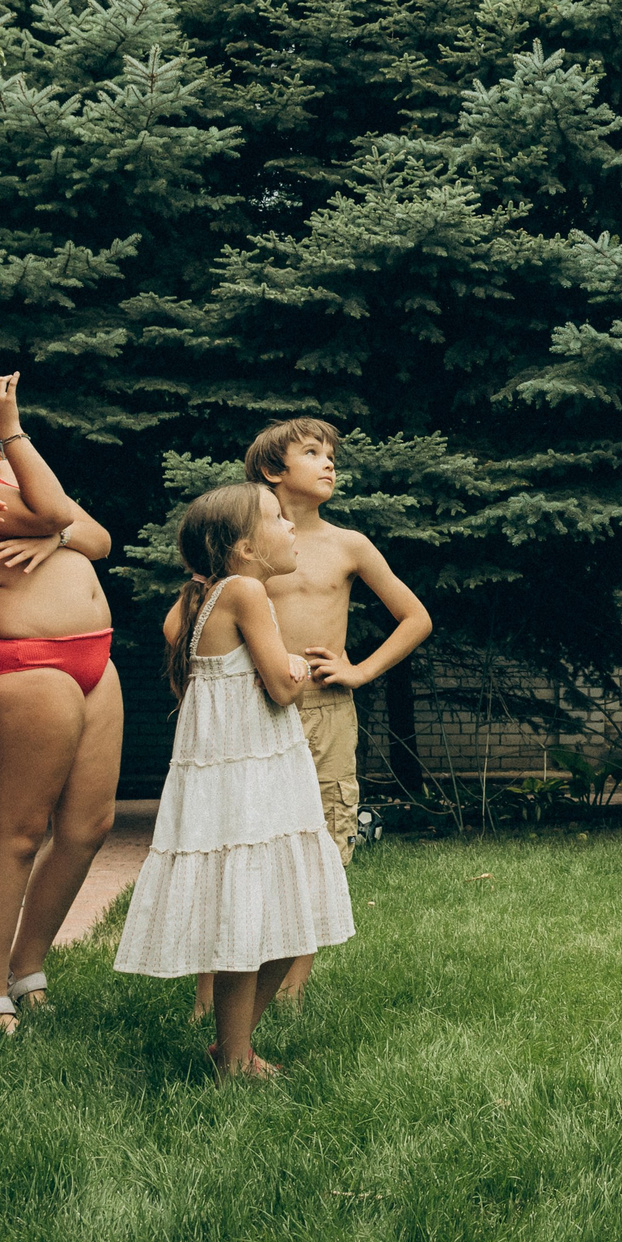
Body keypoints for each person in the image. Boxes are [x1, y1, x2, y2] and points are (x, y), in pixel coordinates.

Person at [190, 420, 428, 1016]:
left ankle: (290, 989)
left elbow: (415, 617)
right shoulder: (245, 544)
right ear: (272, 471)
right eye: (312, 453)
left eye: (332, 455)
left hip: (323, 709)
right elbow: (185, 626)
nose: (329, 464)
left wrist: (360, 671)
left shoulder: (348, 544)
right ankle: (210, 991)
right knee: (238, 841)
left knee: (322, 837)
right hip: (250, 713)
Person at [115, 484, 352, 1079]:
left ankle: (233, 1048)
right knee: (254, 916)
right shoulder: (247, 590)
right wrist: (297, 663)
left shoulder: (212, 592)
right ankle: (234, 1058)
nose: (291, 527)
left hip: (251, 768)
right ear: (245, 548)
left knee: (281, 914)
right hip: (249, 775)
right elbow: (282, 685)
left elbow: (183, 637)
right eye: (277, 520)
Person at [0, 366, 121, 1030]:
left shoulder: (20, 477)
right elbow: (58, 511)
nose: (5, 409)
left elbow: (94, 535)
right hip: (29, 662)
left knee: (88, 827)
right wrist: (52, 512)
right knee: (19, 831)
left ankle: (28, 965)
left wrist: (58, 533)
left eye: (6, 401)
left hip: (95, 658)